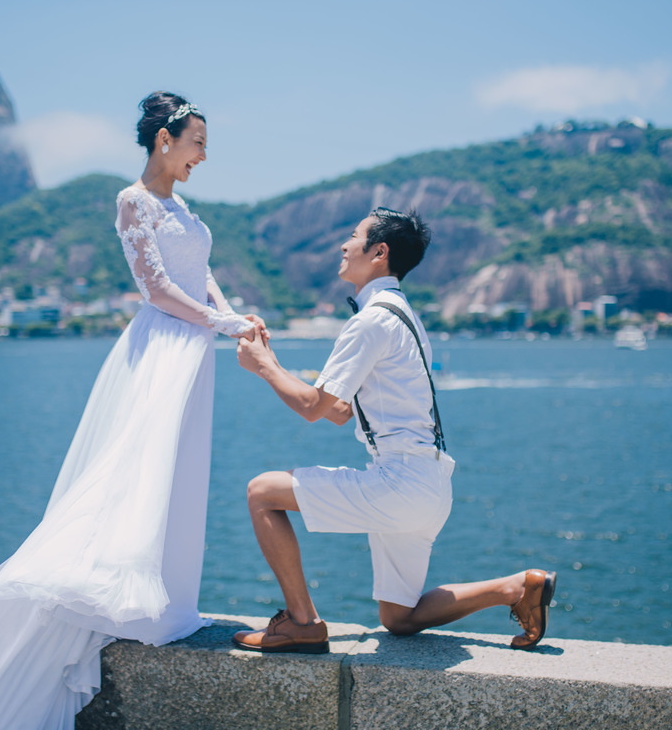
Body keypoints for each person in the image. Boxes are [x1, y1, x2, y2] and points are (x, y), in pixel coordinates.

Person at [0, 92, 264, 730]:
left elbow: (201, 275)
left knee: (180, 468)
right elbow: (155, 288)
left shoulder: (185, 209)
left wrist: (233, 315)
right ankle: (120, 592)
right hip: (161, 346)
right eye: (197, 140)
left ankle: (169, 601)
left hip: (194, 345)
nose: (204, 152)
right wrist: (221, 321)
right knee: (140, 467)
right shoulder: (134, 201)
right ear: (164, 141)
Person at [233, 207, 556, 653]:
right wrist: (273, 363)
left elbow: (313, 409)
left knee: (261, 492)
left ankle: (302, 622)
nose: (344, 245)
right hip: (429, 485)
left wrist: (263, 366)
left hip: (399, 483)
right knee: (399, 618)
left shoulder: (369, 320)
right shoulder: (400, 313)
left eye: (353, 235)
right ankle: (515, 587)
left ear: (379, 252)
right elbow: (340, 410)